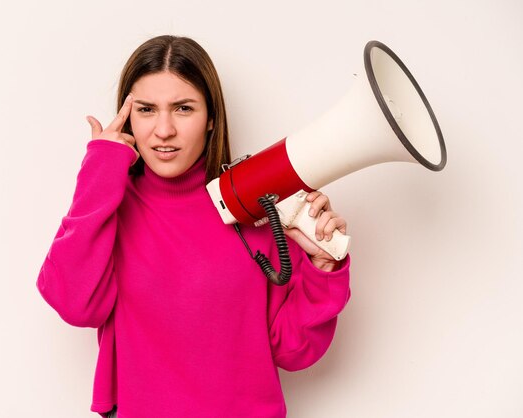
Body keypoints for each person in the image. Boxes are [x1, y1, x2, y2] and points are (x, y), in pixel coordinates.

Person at [36, 35, 351, 418]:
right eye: (147, 110)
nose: (163, 130)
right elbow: (75, 304)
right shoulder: (111, 207)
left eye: (183, 109)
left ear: (211, 118)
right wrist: (101, 168)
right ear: (127, 116)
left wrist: (322, 268)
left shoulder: (251, 204)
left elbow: (293, 351)